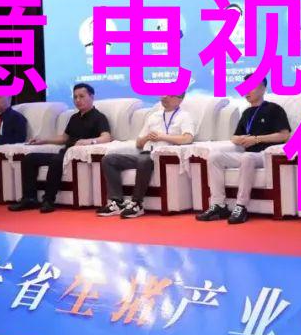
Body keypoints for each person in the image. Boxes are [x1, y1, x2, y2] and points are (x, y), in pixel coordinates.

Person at [197, 74, 291, 224]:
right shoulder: (247, 113)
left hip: (266, 155)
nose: (247, 91)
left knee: (248, 157)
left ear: (263, 89)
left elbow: (284, 135)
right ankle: (219, 204)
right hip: (247, 153)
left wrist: (256, 139)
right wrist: (239, 139)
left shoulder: (274, 109)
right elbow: (235, 136)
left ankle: (241, 206)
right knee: (214, 156)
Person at [10, 83, 111, 214]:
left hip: (76, 156)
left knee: (56, 160)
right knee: (30, 158)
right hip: (64, 153)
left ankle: (48, 200)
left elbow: (107, 137)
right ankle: (29, 198)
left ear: (91, 97)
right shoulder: (74, 117)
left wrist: (89, 141)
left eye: (81, 96)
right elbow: (64, 138)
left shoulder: (99, 117)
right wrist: (43, 140)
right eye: (75, 97)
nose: (78, 100)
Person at [97, 92, 195, 219]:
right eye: (163, 94)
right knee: (109, 160)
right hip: (145, 154)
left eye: (170, 95)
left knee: (144, 160)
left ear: (180, 99)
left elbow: (187, 138)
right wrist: (147, 138)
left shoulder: (184, 116)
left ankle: (137, 203)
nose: (164, 97)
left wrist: (163, 137)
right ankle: (117, 202)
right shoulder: (154, 116)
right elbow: (139, 143)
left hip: (162, 158)